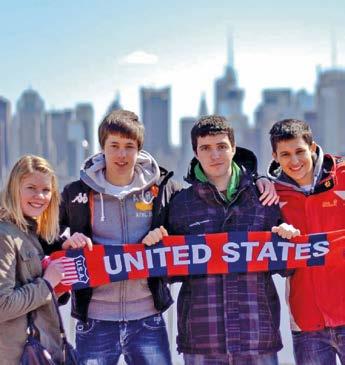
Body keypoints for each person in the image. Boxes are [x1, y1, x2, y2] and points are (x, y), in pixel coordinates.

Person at [143, 115, 299, 365]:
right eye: (206, 148)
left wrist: (288, 238)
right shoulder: (181, 204)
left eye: (221, 146)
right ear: (196, 152)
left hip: (257, 336)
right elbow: (167, 272)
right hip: (202, 340)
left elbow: (286, 266)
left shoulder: (263, 198)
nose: (215, 155)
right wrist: (156, 242)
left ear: (234, 149)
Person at [59, 110, 182, 365]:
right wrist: (65, 242)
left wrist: (260, 182)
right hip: (95, 320)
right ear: (102, 148)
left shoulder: (162, 189)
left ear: (139, 150)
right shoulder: (75, 193)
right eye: (114, 146)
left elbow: (193, 219)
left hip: (148, 317)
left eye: (129, 146)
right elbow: (44, 231)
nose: (121, 154)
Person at [268, 119, 345, 365]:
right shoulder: (271, 194)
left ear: (312, 147)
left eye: (300, 151)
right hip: (307, 323)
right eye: (285, 154)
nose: (294, 161)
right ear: (275, 156)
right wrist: (278, 233)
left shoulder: (342, 177)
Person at [0, 155, 66, 364]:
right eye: (31, 187)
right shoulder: (5, 235)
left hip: (36, 354)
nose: (40, 196)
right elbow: (3, 305)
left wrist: (56, 285)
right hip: (15, 356)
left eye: (46, 190)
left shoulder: (28, 232)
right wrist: (47, 283)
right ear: (14, 189)